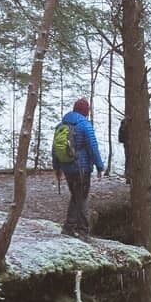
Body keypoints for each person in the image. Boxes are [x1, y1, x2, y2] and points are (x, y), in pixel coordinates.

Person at [54, 98, 105, 238]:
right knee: (82, 198)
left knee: (76, 196)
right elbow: (93, 148)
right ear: (85, 111)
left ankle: (69, 227)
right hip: (81, 169)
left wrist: (57, 168)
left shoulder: (61, 125)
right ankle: (83, 231)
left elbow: (55, 149)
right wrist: (100, 166)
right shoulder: (85, 125)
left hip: (67, 168)